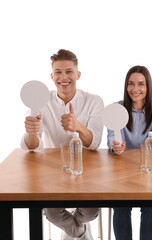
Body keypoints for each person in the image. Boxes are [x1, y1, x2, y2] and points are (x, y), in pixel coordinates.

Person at [21, 49, 104, 240]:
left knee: (91, 212)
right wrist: (31, 132)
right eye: (58, 72)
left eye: (68, 71)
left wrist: (78, 127)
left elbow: (95, 142)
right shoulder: (40, 101)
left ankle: (71, 231)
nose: (63, 77)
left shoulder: (94, 101)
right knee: (51, 211)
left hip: (87, 171)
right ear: (52, 76)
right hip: (52, 172)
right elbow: (33, 146)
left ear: (78, 75)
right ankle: (79, 232)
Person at [107, 65, 152, 240]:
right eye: (131, 84)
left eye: (141, 84)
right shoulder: (116, 109)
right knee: (121, 205)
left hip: (148, 170)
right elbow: (111, 136)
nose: (135, 89)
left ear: (148, 87)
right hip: (122, 169)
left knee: (151, 205)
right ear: (126, 86)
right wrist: (115, 145)